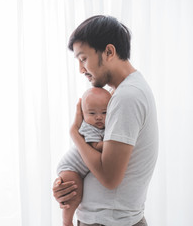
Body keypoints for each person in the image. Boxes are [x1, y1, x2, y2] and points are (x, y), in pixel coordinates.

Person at [52, 15, 158, 226]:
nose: (81, 69)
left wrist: (75, 134)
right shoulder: (118, 93)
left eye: (83, 58)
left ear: (109, 51)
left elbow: (110, 178)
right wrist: (69, 185)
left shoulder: (127, 96)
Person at [58, 87, 111, 226]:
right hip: (71, 167)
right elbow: (94, 146)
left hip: (79, 168)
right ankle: (67, 221)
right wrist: (112, 144)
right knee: (74, 195)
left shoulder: (104, 127)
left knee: (76, 193)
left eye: (104, 112)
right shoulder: (88, 127)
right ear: (82, 114)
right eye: (92, 113)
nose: (98, 117)